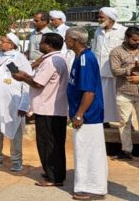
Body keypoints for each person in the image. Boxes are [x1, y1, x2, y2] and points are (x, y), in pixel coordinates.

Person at [12, 33, 69, 187]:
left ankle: (54, 177)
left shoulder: (50, 61)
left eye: (42, 43)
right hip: (55, 107)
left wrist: (23, 78)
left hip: (48, 108)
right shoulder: (59, 58)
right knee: (55, 143)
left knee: (48, 143)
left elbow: (38, 84)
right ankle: (55, 172)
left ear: (49, 45)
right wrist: (26, 75)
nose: (39, 45)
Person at [65, 27, 108, 200]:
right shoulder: (79, 58)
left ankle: (93, 188)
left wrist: (79, 114)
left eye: (67, 38)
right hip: (83, 114)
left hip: (88, 116)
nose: (65, 40)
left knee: (89, 152)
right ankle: (89, 185)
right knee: (85, 150)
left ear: (75, 40)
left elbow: (89, 91)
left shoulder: (86, 59)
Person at [0, 33, 32, 172]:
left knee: (14, 132)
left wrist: (24, 104)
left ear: (12, 44)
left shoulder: (20, 58)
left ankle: (16, 161)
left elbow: (27, 82)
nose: (0, 43)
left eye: (3, 41)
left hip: (13, 101)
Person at [108, 26, 139, 161]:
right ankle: (127, 150)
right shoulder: (116, 52)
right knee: (124, 123)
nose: (137, 42)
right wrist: (130, 69)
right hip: (124, 92)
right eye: (134, 40)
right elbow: (115, 71)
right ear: (126, 38)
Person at [93, 7, 127, 123]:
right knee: (102, 98)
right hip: (100, 70)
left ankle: (122, 121)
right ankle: (105, 120)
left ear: (111, 18)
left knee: (118, 98)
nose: (99, 19)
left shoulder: (123, 30)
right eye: (99, 17)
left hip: (116, 71)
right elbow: (94, 49)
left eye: (102, 17)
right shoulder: (98, 31)